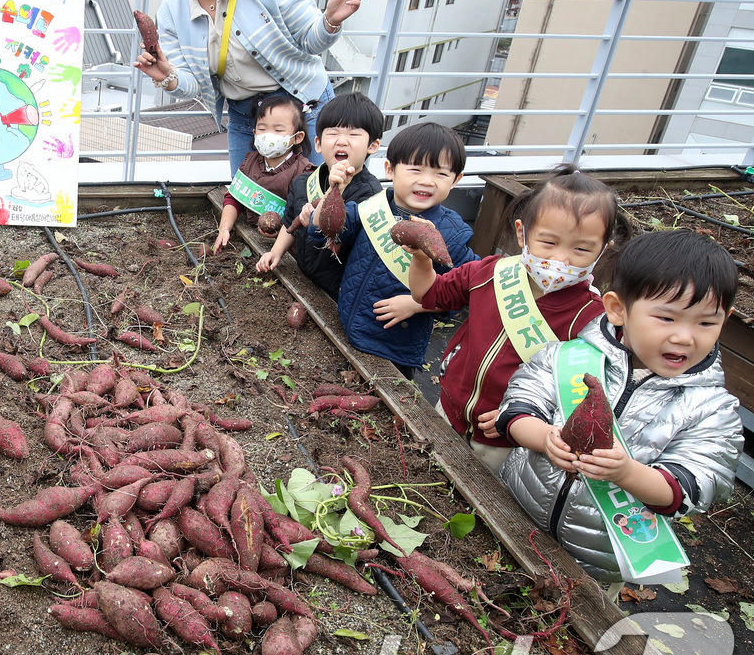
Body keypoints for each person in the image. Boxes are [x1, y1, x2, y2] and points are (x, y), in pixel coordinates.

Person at [496, 230, 741, 596]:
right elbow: (517, 408)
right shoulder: (565, 357)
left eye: (706, 322)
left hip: (599, 563)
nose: (685, 337)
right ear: (617, 308)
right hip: (514, 513)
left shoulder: (712, 410)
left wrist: (627, 472)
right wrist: (545, 439)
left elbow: (692, 486)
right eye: (667, 318)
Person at [132, 0, 373, 174]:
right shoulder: (172, 9)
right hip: (247, 119)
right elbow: (193, 84)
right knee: (247, 199)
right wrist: (168, 77)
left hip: (305, 108)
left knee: (318, 195)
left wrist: (330, 20)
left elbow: (311, 41)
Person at [406, 165, 621, 471]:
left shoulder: (591, 317)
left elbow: (581, 393)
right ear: (523, 233)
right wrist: (421, 259)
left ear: (603, 249)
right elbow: (429, 294)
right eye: (548, 243)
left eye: (581, 249)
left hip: (504, 443)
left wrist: (522, 418)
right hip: (448, 408)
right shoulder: (491, 272)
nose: (560, 259)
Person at [305, 122, 478, 378]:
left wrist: (417, 304)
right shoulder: (371, 206)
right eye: (415, 169)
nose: (426, 181)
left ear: (456, 180)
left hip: (396, 347)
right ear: (390, 169)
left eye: (441, 174)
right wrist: (335, 191)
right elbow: (321, 229)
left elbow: (463, 290)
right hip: (346, 321)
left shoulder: (453, 233)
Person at [255, 91, 385, 293]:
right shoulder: (303, 183)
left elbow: (353, 250)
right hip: (303, 275)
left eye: (353, 134)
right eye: (333, 133)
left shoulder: (371, 196)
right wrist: (276, 252)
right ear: (317, 143)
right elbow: (290, 221)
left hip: (336, 289)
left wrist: (319, 225)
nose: (342, 141)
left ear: (373, 146)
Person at [212, 93, 313, 253]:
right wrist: (224, 229)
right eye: (262, 128)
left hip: (285, 250)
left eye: (278, 129)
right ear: (254, 132)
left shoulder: (303, 172)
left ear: (297, 137)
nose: (268, 135)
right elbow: (235, 197)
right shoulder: (251, 160)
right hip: (251, 239)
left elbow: (300, 220)